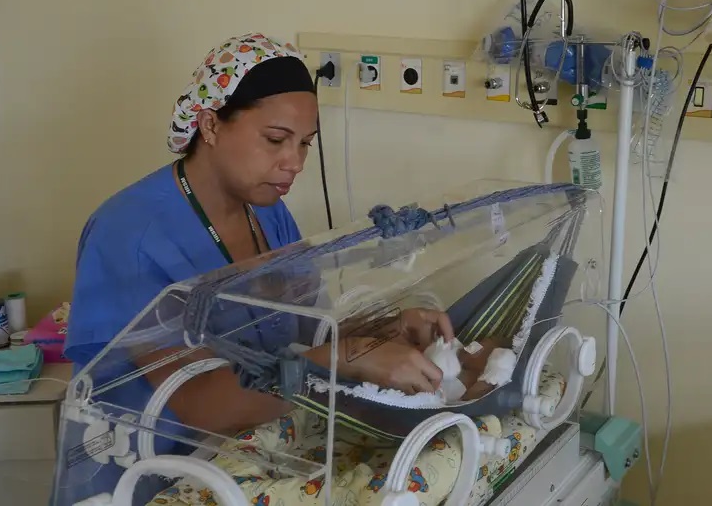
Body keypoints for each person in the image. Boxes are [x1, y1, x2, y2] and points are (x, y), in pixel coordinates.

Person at [60, 33, 451, 502]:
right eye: (275, 140)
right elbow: (200, 404)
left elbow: (306, 331)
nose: (295, 163)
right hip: (155, 478)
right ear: (210, 125)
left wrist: (385, 330)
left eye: (305, 144)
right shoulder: (129, 235)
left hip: (248, 460)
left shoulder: (266, 212)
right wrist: (347, 357)